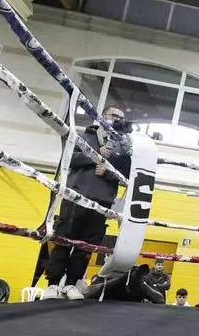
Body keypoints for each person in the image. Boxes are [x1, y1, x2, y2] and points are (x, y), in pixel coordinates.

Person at [44, 106, 133, 287]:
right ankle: (52, 284)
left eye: (121, 118)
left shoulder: (123, 148)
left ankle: (71, 284)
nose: (118, 120)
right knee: (64, 240)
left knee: (87, 246)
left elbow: (128, 174)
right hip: (77, 196)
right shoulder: (83, 137)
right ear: (103, 117)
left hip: (102, 202)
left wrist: (108, 173)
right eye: (115, 116)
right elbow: (69, 158)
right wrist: (95, 155)